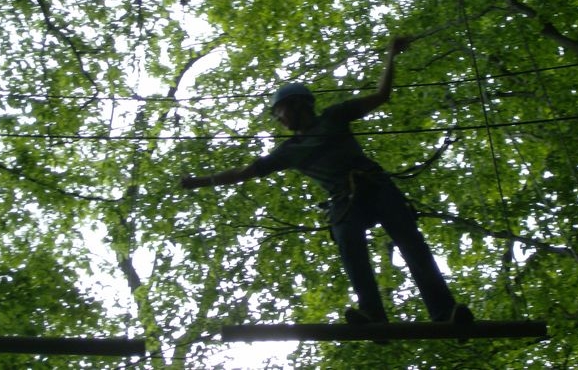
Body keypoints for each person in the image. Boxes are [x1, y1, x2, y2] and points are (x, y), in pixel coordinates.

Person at [180, 37, 473, 326]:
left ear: (297, 104)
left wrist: (391, 55)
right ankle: (372, 314)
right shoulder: (289, 151)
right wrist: (199, 182)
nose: (279, 119)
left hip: (377, 186)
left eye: (279, 111)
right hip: (345, 201)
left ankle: (444, 312)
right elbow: (243, 172)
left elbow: (380, 95)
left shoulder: (335, 116)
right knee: (348, 242)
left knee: (410, 241)